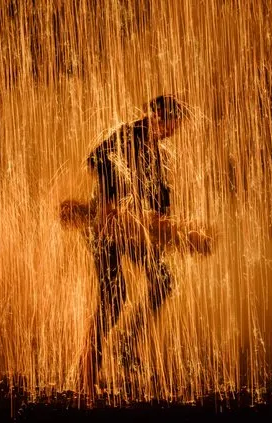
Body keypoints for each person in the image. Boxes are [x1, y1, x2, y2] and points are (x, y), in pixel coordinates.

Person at [79, 94, 190, 396]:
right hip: (106, 230)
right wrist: (110, 203)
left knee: (163, 279)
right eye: (170, 125)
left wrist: (167, 226)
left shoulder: (155, 152)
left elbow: (160, 195)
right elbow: (96, 159)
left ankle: (128, 341)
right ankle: (87, 371)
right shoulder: (126, 136)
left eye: (175, 129)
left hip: (133, 229)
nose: (171, 133)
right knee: (113, 300)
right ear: (156, 116)